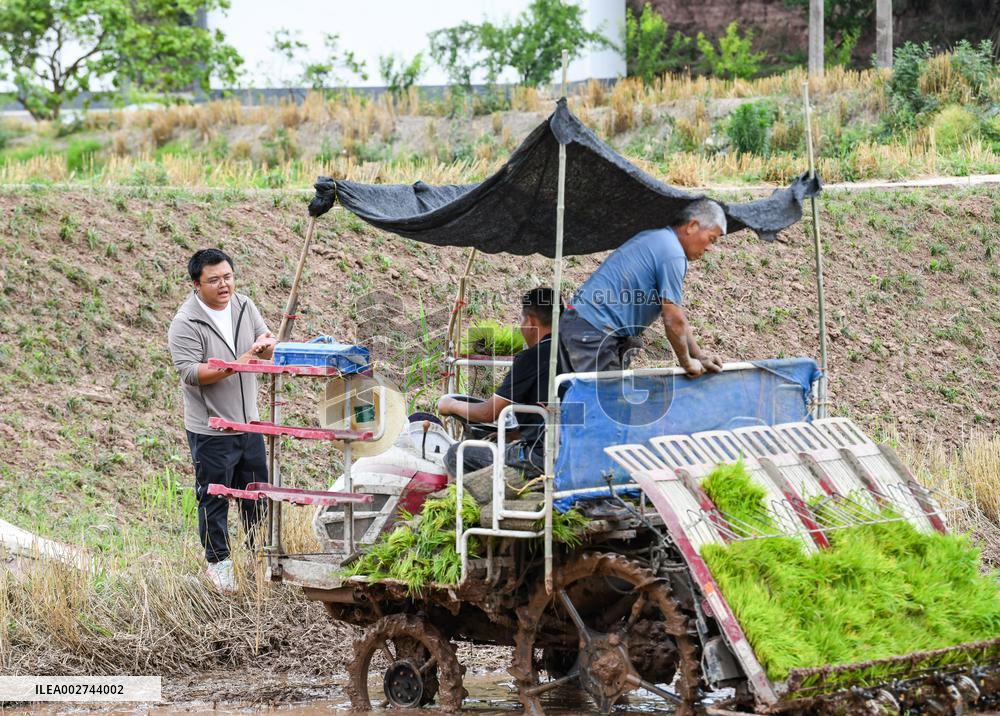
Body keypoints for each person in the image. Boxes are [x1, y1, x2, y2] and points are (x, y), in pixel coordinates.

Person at [167, 248, 277, 595]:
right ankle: (219, 565)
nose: (223, 284)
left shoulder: (245, 306)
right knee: (214, 497)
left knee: (256, 494)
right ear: (196, 284)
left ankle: (260, 559)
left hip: (250, 425)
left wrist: (266, 346)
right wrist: (239, 362)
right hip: (212, 428)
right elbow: (190, 373)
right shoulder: (186, 322)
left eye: (227, 276)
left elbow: (268, 342)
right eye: (214, 280)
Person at [560, 199, 727, 378]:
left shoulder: (658, 239)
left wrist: (699, 356)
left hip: (582, 324)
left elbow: (678, 318)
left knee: (579, 399)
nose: (709, 248)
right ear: (692, 225)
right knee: (608, 402)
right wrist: (687, 362)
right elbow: (673, 319)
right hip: (592, 331)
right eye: (711, 239)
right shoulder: (673, 253)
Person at [437, 287, 561, 484]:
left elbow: (488, 413)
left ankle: (457, 510)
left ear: (531, 321)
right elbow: (554, 410)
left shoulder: (532, 358)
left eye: (521, 320)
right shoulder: (572, 352)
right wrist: (515, 434)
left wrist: (450, 405)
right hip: (568, 449)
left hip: (540, 457)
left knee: (457, 453)